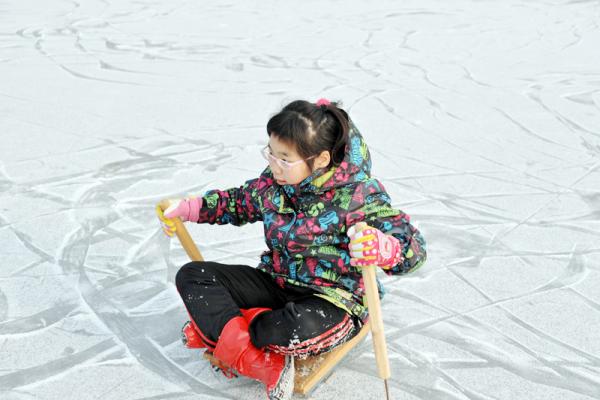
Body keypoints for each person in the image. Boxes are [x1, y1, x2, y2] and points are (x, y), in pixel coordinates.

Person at [156, 98, 427, 400]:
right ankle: (263, 361)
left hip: (332, 298)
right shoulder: (274, 184)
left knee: (278, 329)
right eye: (271, 153)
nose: (274, 165)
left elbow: (413, 248)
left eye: (285, 159)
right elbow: (238, 202)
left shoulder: (359, 196)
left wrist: (386, 248)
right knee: (194, 277)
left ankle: (224, 332)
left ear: (320, 159)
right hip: (276, 281)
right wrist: (190, 208)